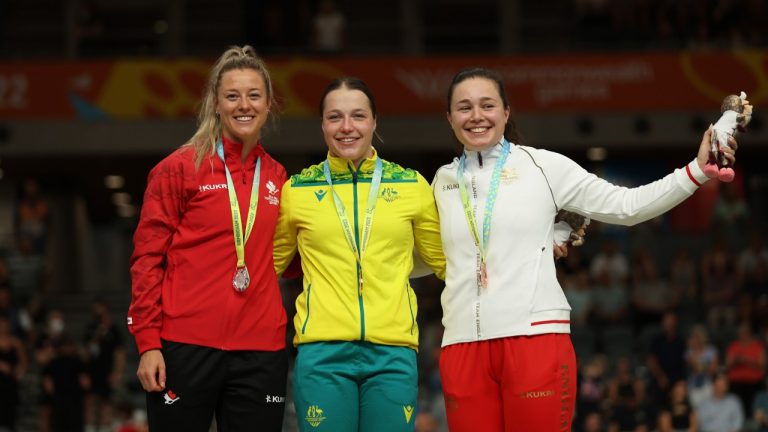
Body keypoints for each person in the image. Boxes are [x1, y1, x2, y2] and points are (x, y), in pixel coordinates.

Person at [431, 67, 738, 432]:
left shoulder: (544, 167)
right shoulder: (441, 183)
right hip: (462, 345)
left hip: (534, 338)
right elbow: (431, 258)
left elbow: (627, 206)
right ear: (449, 118)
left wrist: (696, 171)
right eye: (464, 108)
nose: (477, 116)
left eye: (487, 105)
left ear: (506, 112)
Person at [127, 45, 288, 431]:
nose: (243, 105)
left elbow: (291, 256)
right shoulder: (178, 169)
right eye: (232, 96)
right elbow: (146, 260)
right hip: (185, 347)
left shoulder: (279, 177)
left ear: (268, 104)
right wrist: (148, 342)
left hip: (261, 351)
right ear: (215, 103)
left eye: (253, 95)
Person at [272, 77, 446, 432]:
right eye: (335, 117)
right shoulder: (297, 190)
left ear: (374, 121)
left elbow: (447, 263)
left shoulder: (412, 185)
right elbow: (264, 269)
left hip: (393, 353)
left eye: (358, 116)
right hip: (322, 354)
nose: (347, 127)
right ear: (322, 124)